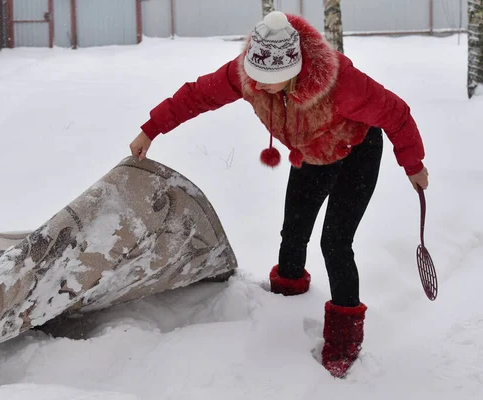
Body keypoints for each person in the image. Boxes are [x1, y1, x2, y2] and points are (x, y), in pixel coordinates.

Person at [129, 11, 429, 378]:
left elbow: (396, 113)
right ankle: (285, 299)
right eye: (257, 76)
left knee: (335, 243)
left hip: (356, 151)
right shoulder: (247, 75)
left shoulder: (340, 83)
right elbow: (196, 95)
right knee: (294, 229)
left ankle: (344, 340)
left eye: (272, 79)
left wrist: (412, 164)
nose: (262, 84)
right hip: (311, 153)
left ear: (297, 65)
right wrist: (152, 129)